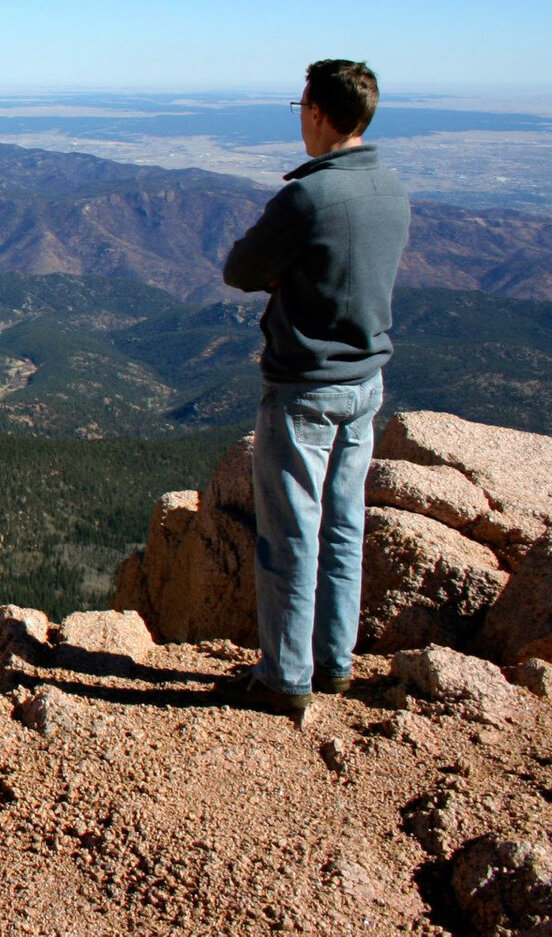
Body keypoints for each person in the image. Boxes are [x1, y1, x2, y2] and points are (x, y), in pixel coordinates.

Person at [216, 59, 411, 716]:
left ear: (320, 112)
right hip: (366, 383)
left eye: (301, 105)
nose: (300, 116)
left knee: (292, 533)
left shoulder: (309, 196)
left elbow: (242, 267)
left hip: (305, 388)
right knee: (344, 525)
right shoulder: (391, 189)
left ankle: (284, 678)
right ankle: (334, 663)